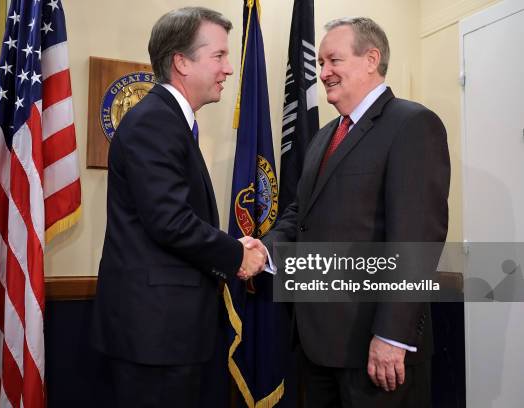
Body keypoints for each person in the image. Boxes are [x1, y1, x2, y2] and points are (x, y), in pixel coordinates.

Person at [261, 17, 450, 407]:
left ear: (371, 59)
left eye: (333, 61)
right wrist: (263, 251)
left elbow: (416, 237)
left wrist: (392, 336)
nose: (324, 73)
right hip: (317, 348)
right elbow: (301, 215)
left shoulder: (412, 124)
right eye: (322, 63)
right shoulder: (323, 137)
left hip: (376, 350)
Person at [91, 7, 266, 407]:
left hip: (166, 331)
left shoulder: (168, 121)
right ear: (181, 62)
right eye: (219, 56)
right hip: (155, 335)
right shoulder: (155, 121)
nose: (228, 68)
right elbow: (169, 221)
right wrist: (236, 253)